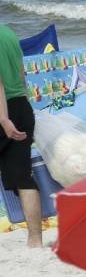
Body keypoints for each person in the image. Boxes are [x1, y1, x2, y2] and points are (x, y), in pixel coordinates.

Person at [0, 22, 41, 247]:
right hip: (21, 105)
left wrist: (4, 119)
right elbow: (21, 75)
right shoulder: (8, 34)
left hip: (3, 110)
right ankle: (35, 240)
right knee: (22, 175)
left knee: (20, 176)